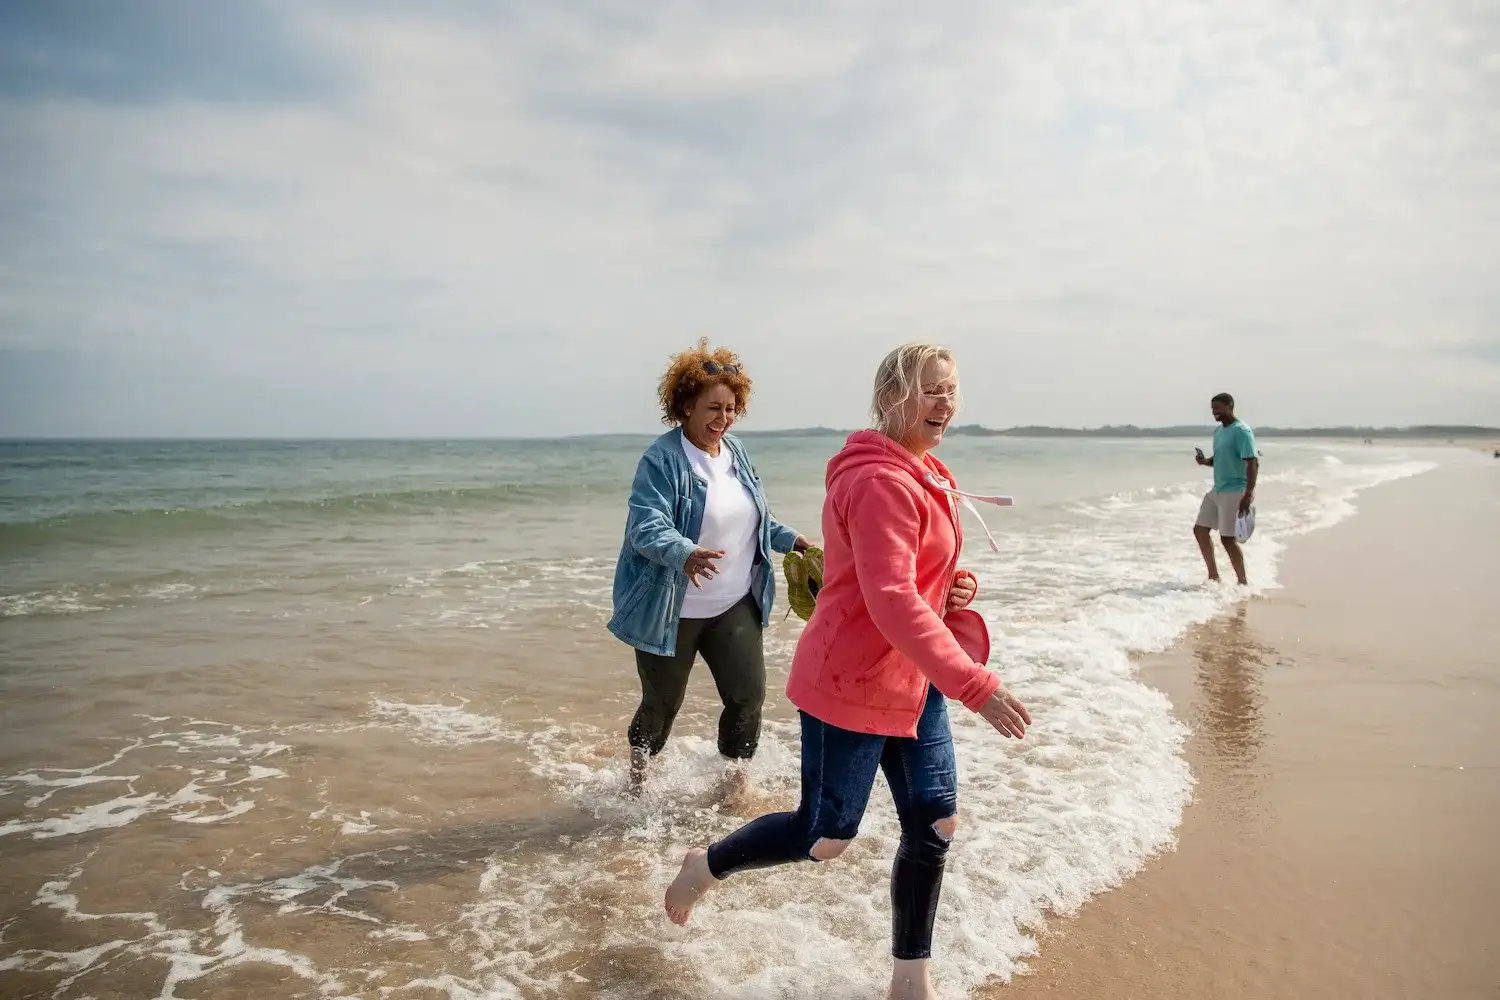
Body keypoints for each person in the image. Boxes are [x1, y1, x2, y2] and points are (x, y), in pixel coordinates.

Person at [662, 343, 1032, 1000]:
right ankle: (706, 865)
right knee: (825, 836)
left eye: (950, 389)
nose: (944, 403)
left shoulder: (926, 471)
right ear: (891, 398)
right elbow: (890, 600)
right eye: (930, 390)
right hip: (850, 682)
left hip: (913, 678)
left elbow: (914, 576)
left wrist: (954, 585)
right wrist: (976, 685)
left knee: (935, 823)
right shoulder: (879, 481)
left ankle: (910, 980)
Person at [608, 338, 810, 790]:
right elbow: (645, 525)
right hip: (671, 609)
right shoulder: (662, 459)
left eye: (731, 408)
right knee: (661, 706)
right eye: (713, 408)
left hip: (733, 603)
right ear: (686, 407)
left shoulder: (736, 452)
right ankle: (637, 782)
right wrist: (684, 552)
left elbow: (755, 517)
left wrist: (792, 540)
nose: (724, 418)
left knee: (748, 698)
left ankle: (732, 788)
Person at [1193, 392, 1258, 586]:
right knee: (1200, 530)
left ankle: (1243, 583)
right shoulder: (1219, 432)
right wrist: (1205, 461)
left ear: (1230, 406)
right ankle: (1213, 577)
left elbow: (1252, 462)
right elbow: (1220, 458)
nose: (1215, 412)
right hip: (1218, 490)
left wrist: (1248, 493)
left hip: (1235, 490)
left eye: (1218, 408)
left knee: (1227, 539)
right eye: (1213, 409)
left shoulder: (1242, 431)